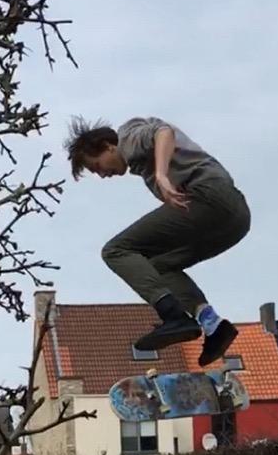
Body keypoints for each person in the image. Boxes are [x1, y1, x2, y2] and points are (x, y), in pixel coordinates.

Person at [64, 116, 251, 365]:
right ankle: (213, 325)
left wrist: (162, 175)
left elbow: (163, 132)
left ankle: (174, 317)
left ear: (108, 147)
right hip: (235, 221)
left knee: (116, 250)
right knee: (158, 266)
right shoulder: (141, 164)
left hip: (208, 196)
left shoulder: (126, 138)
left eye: (97, 166)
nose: (102, 175)